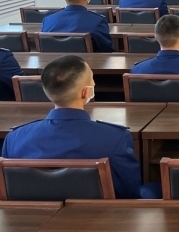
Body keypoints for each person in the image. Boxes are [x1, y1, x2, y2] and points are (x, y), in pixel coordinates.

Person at [1, 55, 157, 198]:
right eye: (92, 79)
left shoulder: (14, 138)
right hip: (99, 216)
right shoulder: (115, 138)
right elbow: (129, 192)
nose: (94, 83)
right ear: (85, 92)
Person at [41, 0, 113, 52]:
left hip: (54, 59)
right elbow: (106, 50)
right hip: (85, 60)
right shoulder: (97, 22)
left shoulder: (47, 21)